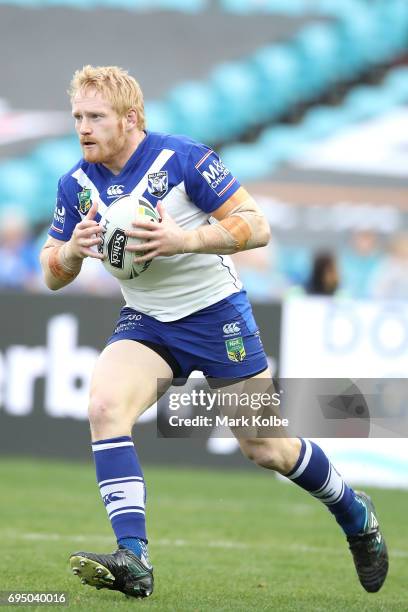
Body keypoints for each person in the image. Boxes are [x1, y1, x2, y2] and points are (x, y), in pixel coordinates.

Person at [40, 65, 388, 600]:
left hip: (215, 313)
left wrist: (184, 240)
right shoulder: (76, 185)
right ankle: (134, 557)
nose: (83, 128)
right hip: (148, 320)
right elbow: (51, 273)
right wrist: (68, 251)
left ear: (130, 118)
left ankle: (353, 511)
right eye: (77, 118)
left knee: (267, 448)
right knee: (105, 408)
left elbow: (257, 224)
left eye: (95, 117)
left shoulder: (181, 158)